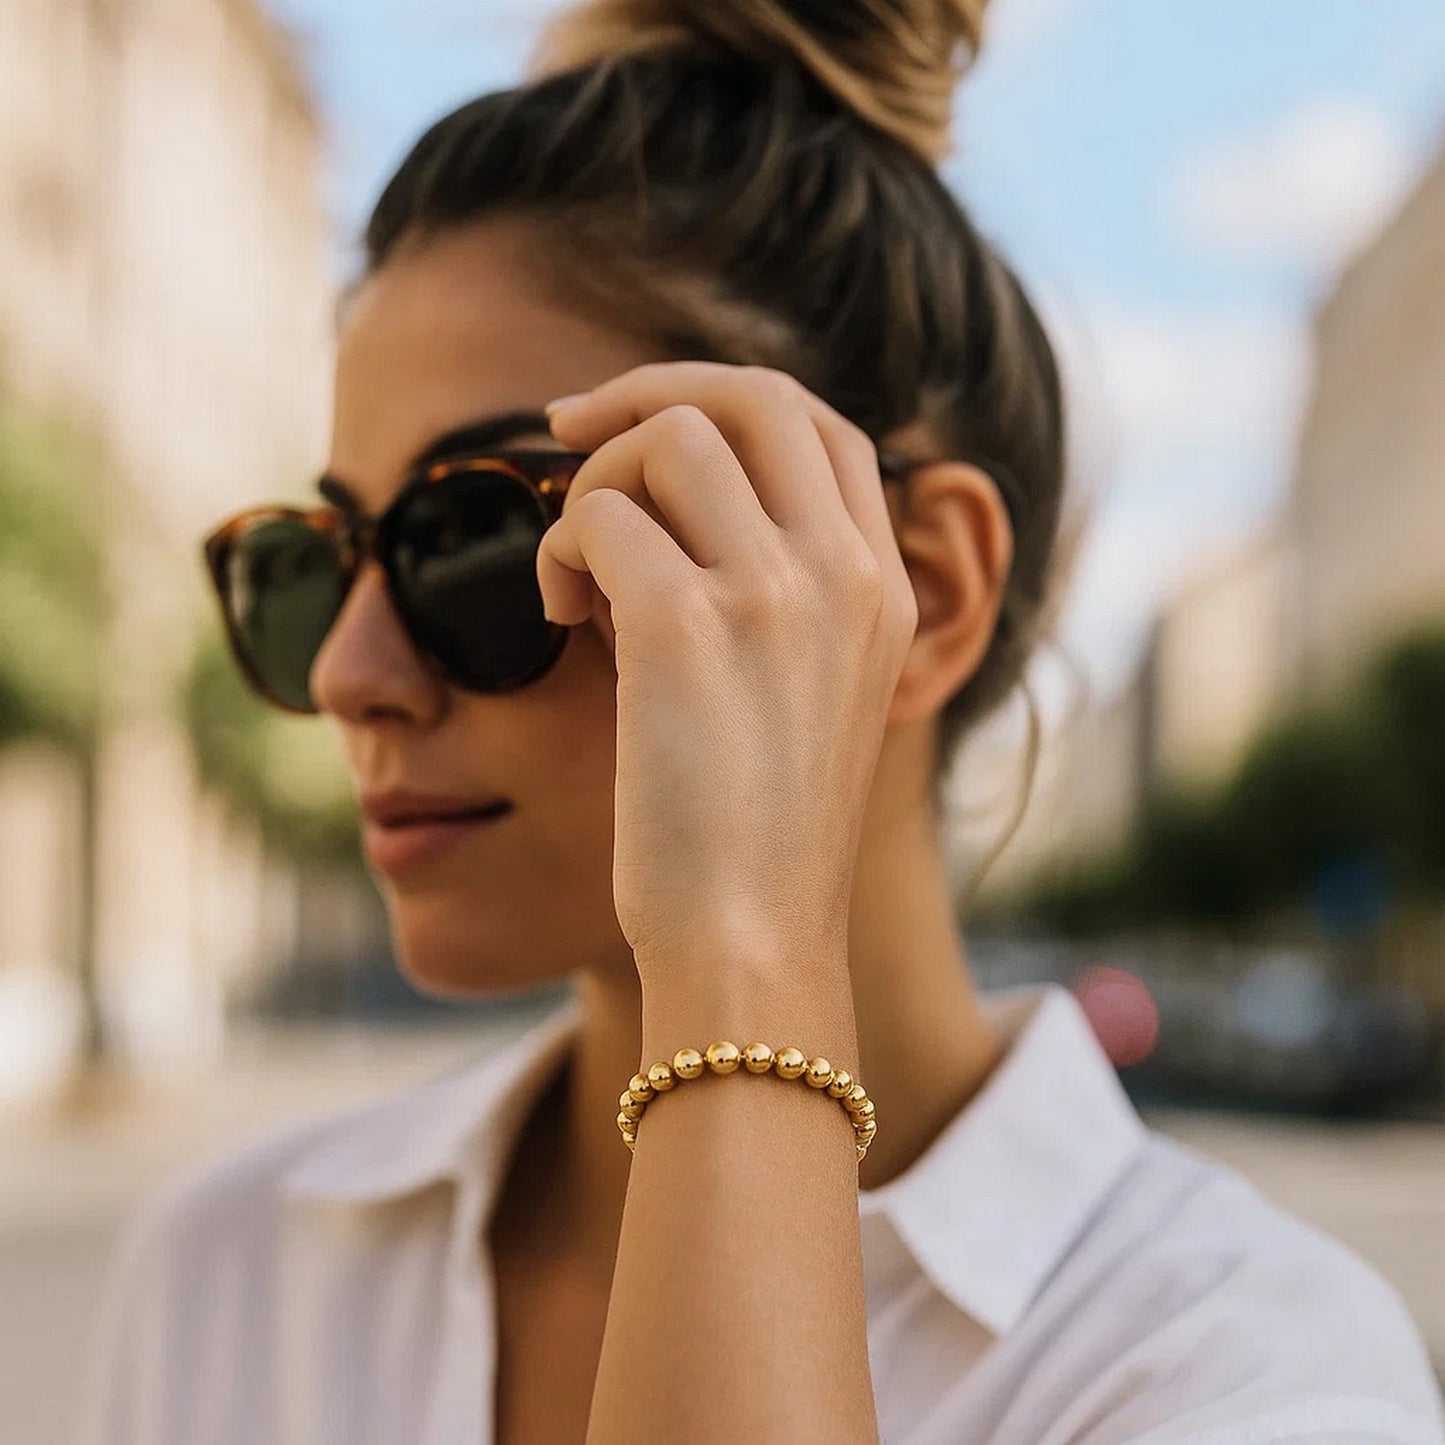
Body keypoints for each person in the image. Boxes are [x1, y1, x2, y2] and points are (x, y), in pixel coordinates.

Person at [82, 2, 1445, 1442]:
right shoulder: (235, 1274)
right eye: (315, 562)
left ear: (921, 587)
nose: (351, 673)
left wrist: (738, 958)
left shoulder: (1244, 1373)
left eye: (472, 539)